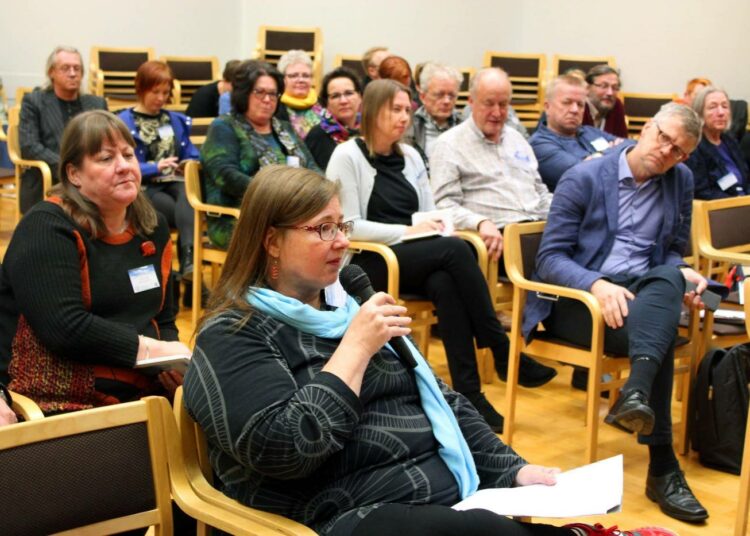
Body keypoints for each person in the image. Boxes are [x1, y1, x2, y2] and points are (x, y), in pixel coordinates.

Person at [182, 164, 675, 536]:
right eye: (321, 229)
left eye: (342, 226)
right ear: (270, 241)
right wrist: (353, 349)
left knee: (485, 524)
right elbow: (285, 450)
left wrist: (512, 468)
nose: (340, 243)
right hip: (339, 512)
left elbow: (439, 398)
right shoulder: (234, 332)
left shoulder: (346, 300)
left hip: (435, 498)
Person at [326, 79, 556, 433]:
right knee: (456, 249)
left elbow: (431, 214)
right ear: (373, 112)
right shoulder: (347, 155)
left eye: (407, 110)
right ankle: (499, 346)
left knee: (446, 280)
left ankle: (468, 395)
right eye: (396, 110)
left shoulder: (412, 155)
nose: (404, 118)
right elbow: (348, 227)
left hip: (415, 255)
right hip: (370, 260)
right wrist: (406, 232)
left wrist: (431, 227)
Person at [524, 103, 709, 523]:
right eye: (663, 137)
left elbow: (670, 252)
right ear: (646, 129)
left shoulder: (680, 180)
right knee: (657, 334)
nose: (666, 151)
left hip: (642, 294)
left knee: (668, 278)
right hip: (579, 301)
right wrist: (597, 284)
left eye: (678, 150)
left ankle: (636, 393)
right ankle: (662, 467)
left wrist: (683, 271)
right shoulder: (585, 177)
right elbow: (549, 259)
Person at [0, 110, 190, 412]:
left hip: (141, 385)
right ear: (74, 174)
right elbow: (65, 328)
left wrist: (172, 365)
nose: (124, 167)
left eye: (128, 155)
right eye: (105, 158)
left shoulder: (152, 225)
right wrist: (152, 350)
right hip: (60, 392)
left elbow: (163, 318)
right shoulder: (47, 227)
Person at [430, 68, 553, 263]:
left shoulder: (517, 139)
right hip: (497, 239)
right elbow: (443, 206)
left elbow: (540, 192)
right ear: (471, 102)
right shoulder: (449, 144)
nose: (497, 113)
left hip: (540, 231)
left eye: (503, 105)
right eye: (488, 104)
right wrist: (480, 222)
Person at [201, 60, 319, 248]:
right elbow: (226, 176)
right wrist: (278, 197)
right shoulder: (224, 127)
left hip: (290, 213)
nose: (267, 99)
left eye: (273, 93)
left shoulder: (284, 128)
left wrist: (320, 191)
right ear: (243, 93)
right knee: (305, 238)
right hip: (239, 219)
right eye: (260, 92)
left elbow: (312, 168)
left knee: (327, 230)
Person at [118, 60, 199, 280]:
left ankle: (187, 263)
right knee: (184, 212)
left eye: (165, 92)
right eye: (155, 92)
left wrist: (188, 163)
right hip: (146, 187)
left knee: (188, 195)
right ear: (141, 89)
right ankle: (189, 270)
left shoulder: (173, 120)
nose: (161, 98)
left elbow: (191, 152)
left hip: (174, 181)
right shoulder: (124, 122)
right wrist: (155, 167)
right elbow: (124, 164)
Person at [19, 45, 107, 213]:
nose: (73, 73)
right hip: (49, 177)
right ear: (51, 72)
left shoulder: (96, 104)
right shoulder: (34, 102)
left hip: (92, 178)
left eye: (77, 68)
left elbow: (106, 143)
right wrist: (69, 170)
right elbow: (29, 146)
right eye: (65, 68)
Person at [530, 74, 625, 192]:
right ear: (547, 107)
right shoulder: (539, 145)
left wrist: (598, 158)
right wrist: (614, 153)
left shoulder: (589, 131)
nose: (575, 110)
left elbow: (630, 146)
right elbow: (585, 175)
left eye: (580, 104)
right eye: (567, 102)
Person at [686, 86, 748, 199]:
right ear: (700, 112)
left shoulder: (729, 140)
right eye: (712, 107)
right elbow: (701, 192)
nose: (721, 112)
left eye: (725, 106)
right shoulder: (694, 146)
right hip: (720, 210)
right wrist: (736, 202)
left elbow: (747, 177)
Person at [405, 62, 463, 164]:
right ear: (423, 97)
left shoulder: (465, 126)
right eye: (439, 95)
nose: (446, 101)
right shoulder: (408, 126)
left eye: (451, 95)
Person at [305, 67, 362, 170]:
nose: (343, 101)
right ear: (326, 103)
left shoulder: (369, 131)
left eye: (349, 93)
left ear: (360, 96)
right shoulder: (318, 135)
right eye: (335, 96)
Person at [275, 50, 325, 140]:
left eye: (306, 75)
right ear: (283, 79)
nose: (301, 80)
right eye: (294, 75)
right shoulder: (274, 107)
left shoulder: (324, 105)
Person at [583, 65, 628, 138]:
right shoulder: (578, 106)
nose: (610, 93)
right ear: (587, 88)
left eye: (615, 88)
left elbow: (622, 142)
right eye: (604, 86)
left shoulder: (617, 105)